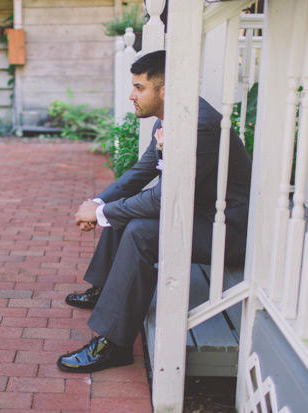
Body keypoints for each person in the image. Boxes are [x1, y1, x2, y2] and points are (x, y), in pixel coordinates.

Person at [57, 50, 252, 373]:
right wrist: (97, 203)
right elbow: (142, 171)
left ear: (166, 90)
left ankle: (113, 345)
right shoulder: (173, 116)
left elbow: (164, 199)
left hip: (228, 229)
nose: (132, 95)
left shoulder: (200, 126)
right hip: (198, 214)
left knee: (140, 228)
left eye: (139, 87)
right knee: (123, 209)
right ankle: (106, 289)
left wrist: (102, 214)